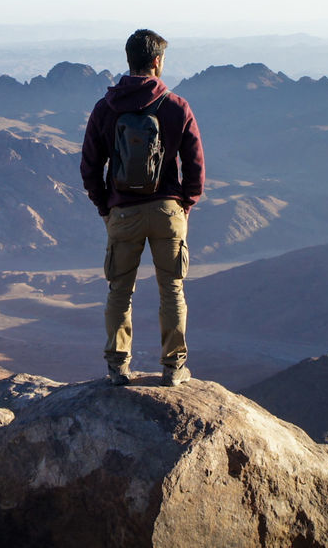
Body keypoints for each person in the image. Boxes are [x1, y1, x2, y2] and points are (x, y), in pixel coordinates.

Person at [80, 29, 205, 387]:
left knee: (120, 291)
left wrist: (106, 207)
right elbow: (195, 166)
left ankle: (118, 368)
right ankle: (173, 368)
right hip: (168, 213)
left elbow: (90, 166)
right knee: (173, 291)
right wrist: (185, 205)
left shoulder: (106, 108)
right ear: (156, 62)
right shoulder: (177, 106)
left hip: (123, 214)